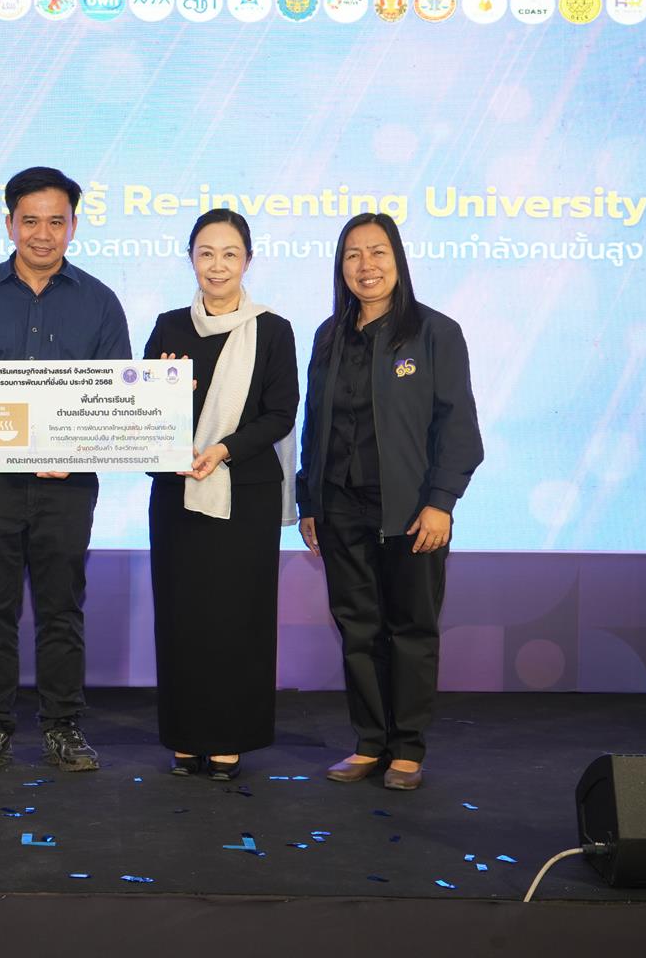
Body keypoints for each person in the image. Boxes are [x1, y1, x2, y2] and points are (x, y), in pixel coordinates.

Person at [0, 166, 132, 773]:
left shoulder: (99, 301)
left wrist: (78, 449)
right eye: (30, 221)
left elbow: (117, 390)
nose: (42, 234)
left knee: (60, 609)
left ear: (73, 225)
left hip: (66, 486)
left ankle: (63, 728)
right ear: (9, 224)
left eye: (56, 221)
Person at [297, 212, 483, 791]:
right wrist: (308, 500)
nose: (366, 265)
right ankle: (369, 742)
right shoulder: (329, 335)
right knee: (358, 630)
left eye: (377, 252)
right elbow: (314, 425)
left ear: (398, 260)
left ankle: (407, 748)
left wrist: (441, 501)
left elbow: (459, 427)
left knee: (410, 629)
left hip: (412, 511)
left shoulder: (435, 332)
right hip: (339, 508)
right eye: (353, 255)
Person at [144, 209, 298, 781]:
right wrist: (165, 396)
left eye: (230, 254)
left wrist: (225, 449)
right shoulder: (167, 327)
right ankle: (186, 738)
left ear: (247, 261)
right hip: (178, 494)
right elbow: (140, 410)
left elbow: (280, 413)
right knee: (182, 617)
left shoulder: (273, 330)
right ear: (191, 258)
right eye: (206, 253)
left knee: (239, 617)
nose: (217, 265)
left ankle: (231, 737)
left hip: (245, 495)